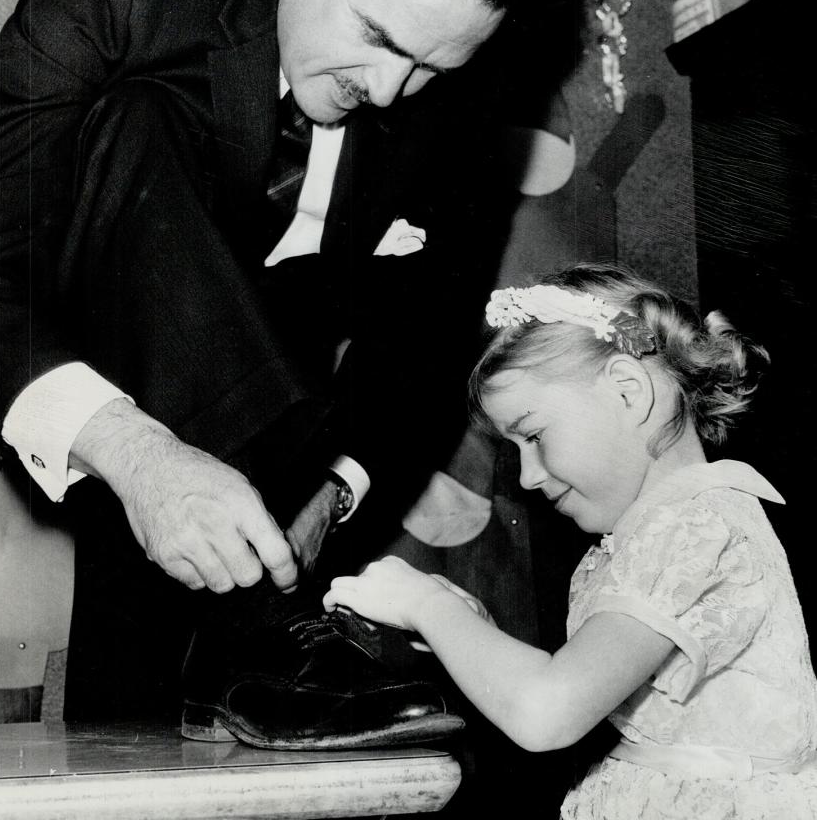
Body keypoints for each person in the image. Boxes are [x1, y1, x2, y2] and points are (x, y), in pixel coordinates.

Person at [0, 0, 544, 743]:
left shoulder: (456, 88)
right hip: (73, 357)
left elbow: (422, 340)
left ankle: (224, 652)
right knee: (138, 115)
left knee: (143, 684)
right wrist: (136, 454)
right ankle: (260, 641)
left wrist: (332, 492)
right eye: (378, 40)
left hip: (284, 427)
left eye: (427, 68)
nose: (388, 92)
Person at [325, 262, 817, 814]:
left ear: (628, 392)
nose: (529, 475)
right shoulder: (674, 521)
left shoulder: (688, 527)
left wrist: (428, 603)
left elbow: (547, 714)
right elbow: (580, 688)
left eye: (534, 435)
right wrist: (474, 635)